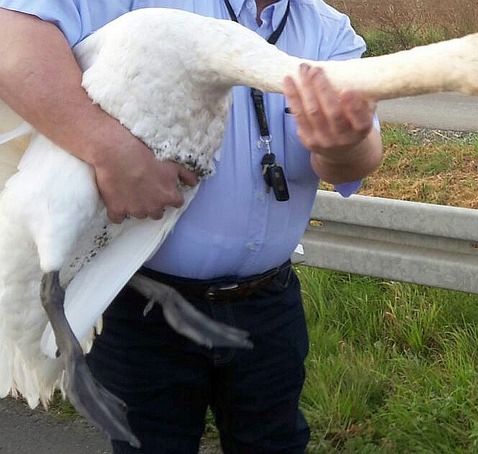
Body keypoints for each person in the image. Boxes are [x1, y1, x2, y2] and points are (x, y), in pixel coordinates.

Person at [0, 1, 383, 452]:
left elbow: (357, 159)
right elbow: (11, 39)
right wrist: (106, 147)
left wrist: (345, 144)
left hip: (268, 309)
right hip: (139, 310)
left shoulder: (328, 31)